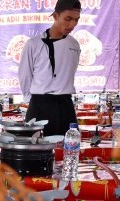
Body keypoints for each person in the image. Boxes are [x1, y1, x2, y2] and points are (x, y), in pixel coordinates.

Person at [18, 0, 81, 136]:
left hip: (65, 105)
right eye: (68, 19)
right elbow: (25, 75)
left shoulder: (74, 44)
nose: (72, 24)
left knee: (68, 149)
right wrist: (31, 101)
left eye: (76, 20)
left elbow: (71, 71)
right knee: (35, 151)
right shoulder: (33, 44)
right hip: (39, 105)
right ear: (55, 16)